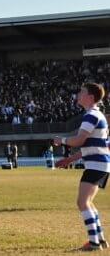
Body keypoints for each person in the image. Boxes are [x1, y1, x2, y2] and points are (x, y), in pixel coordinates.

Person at [53, 83, 110, 251]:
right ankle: (100, 240)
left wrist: (61, 140)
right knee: (88, 202)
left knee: (82, 202)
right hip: (99, 163)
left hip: (96, 164)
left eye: (81, 92)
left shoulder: (91, 115)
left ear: (90, 97)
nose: (78, 94)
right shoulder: (95, 115)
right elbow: (92, 145)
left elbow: (79, 141)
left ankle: (94, 243)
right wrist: (69, 159)